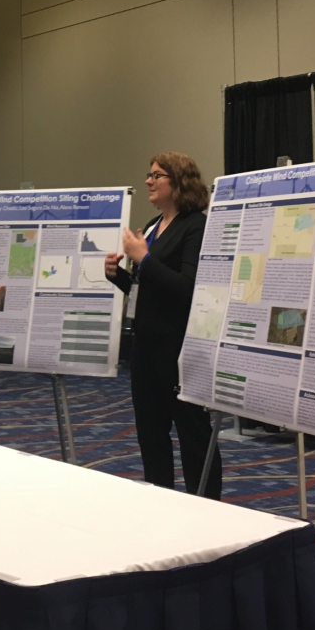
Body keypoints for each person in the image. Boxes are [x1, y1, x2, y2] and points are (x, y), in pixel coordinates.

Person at [105, 152, 222, 499]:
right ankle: (161, 503)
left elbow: (187, 289)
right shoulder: (154, 225)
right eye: (149, 175)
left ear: (179, 182)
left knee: (192, 434)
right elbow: (148, 290)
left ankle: (207, 507)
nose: (148, 181)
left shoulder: (195, 226)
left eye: (157, 175)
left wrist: (143, 257)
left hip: (178, 348)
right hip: (144, 348)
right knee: (150, 434)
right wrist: (120, 277)